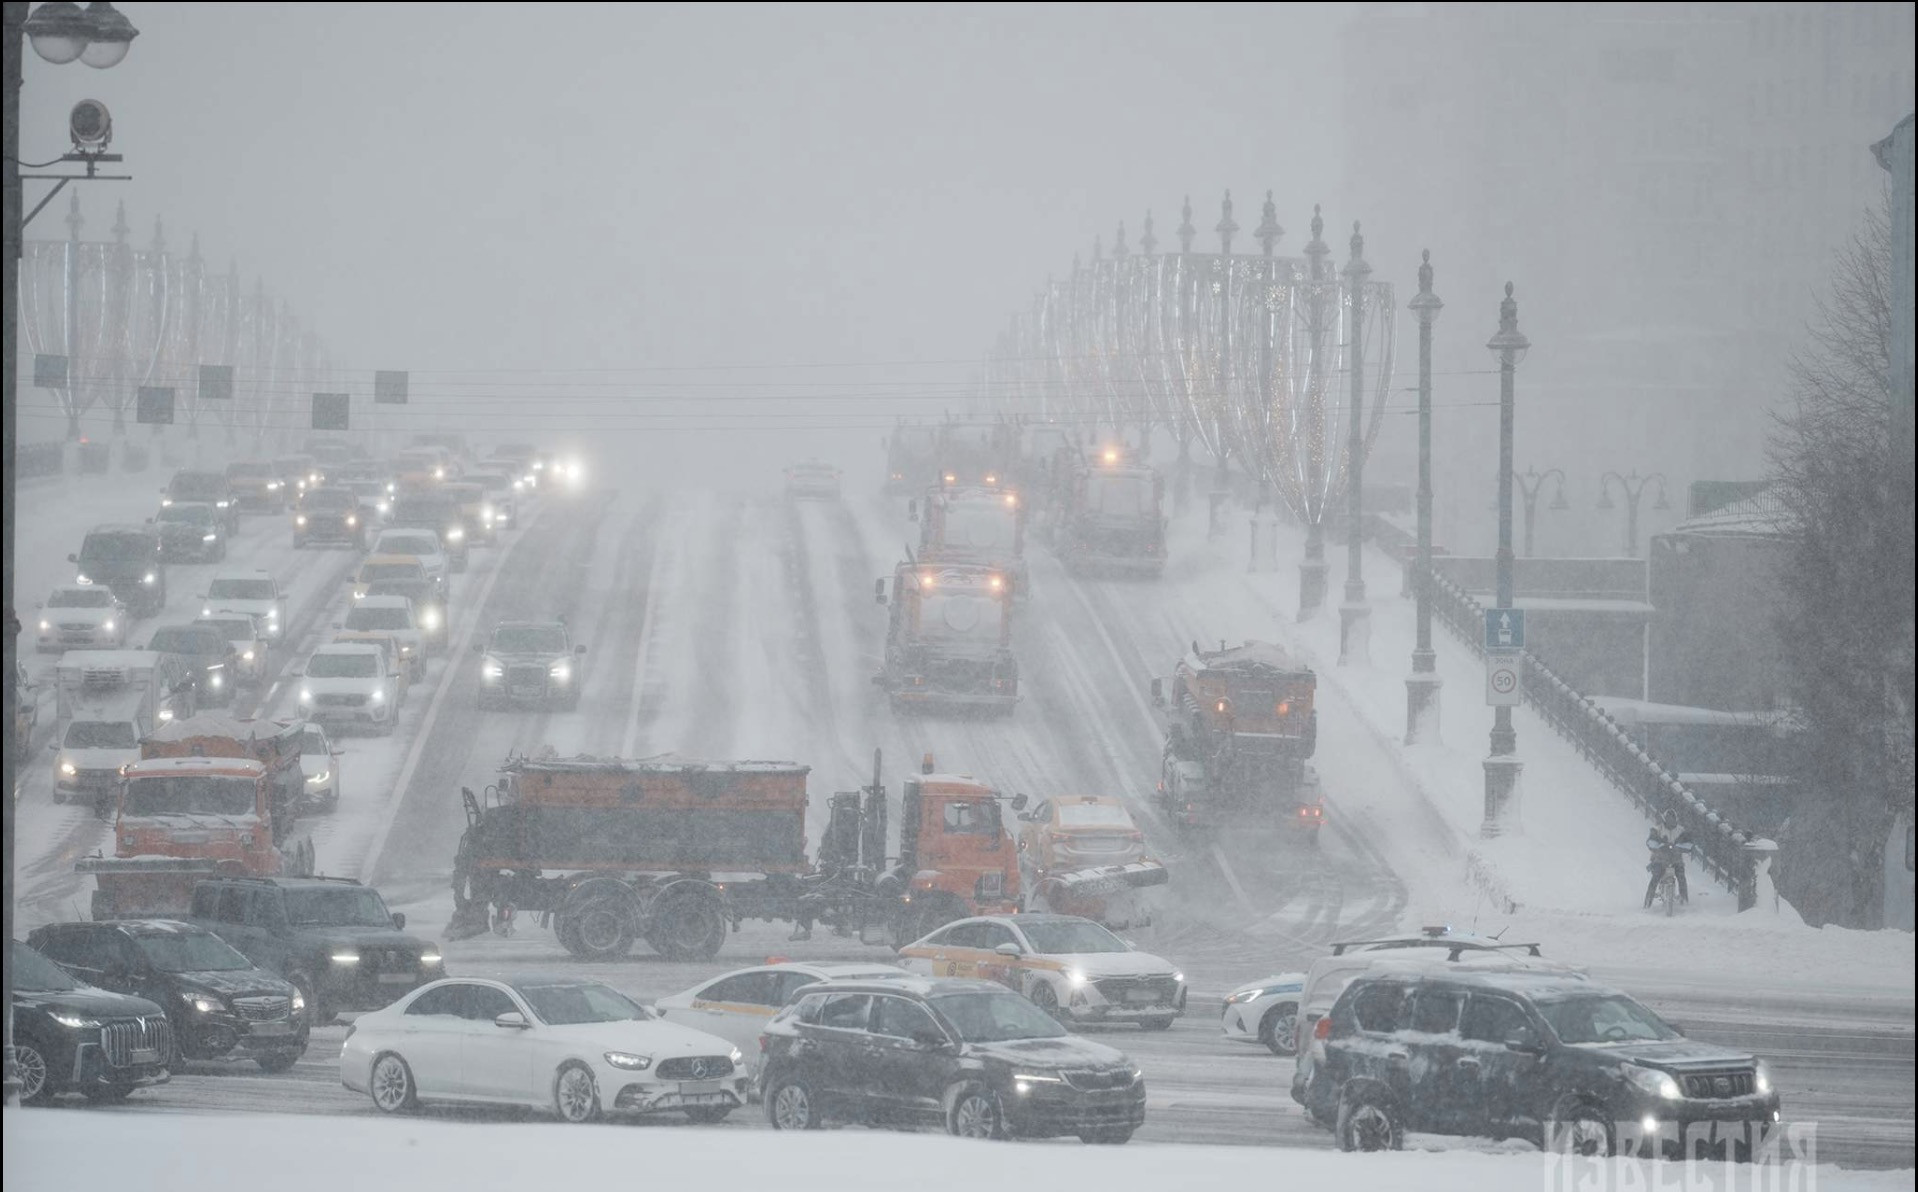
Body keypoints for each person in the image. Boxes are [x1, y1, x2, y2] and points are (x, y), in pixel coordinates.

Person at [1643, 811, 1694, 908]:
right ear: (1665, 818)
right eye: (1668, 818)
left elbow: (1689, 842)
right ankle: (1648, 901)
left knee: (1681, 877)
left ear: (1675, 819)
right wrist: (1659, 846)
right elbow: (1651, 841)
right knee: (1655, 877)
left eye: (1672, 818)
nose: (1670, 820)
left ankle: (1684, 899)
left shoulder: (1681, 830)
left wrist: (1680, 847)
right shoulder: (1658, 829)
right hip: (1660, 859)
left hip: (1676, 859)